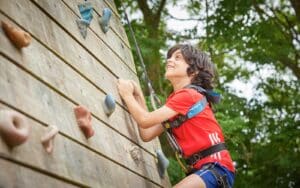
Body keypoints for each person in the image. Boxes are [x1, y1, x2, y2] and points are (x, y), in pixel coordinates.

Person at [117, 44, 235, 188]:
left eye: (177, 57)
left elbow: (145, 120)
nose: (169, 60)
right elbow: (146, 134)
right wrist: (138, 95)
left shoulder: (188, 96)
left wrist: (126, 94)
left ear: (193, 71)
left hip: (216, 168)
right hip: (207, 171)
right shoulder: (176, 102)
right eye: (170, 57)